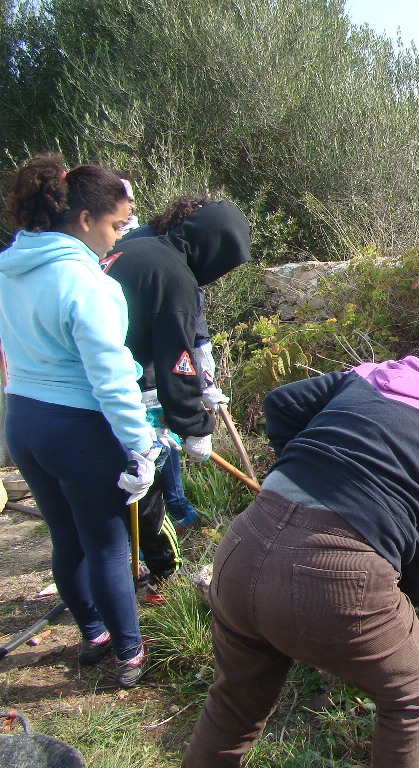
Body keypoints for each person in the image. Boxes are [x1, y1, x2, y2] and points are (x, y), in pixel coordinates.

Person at [182, 325, 419, 768]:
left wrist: (306, 476)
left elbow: (280, 404)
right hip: (341, 576)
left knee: (234, 707)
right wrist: (370, 613)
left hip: (243, 545)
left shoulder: (383, 374)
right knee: (411, 701)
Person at [0, 153, 161, 688]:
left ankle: (92, 633)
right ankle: (129, 652)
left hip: (23, 420)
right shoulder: (85, 282)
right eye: (116, 224)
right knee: (108, 543)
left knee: (65, 537)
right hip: (77, 428)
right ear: (85, 219)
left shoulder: (10, 268)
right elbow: (110, 376)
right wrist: (142, 445)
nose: (119, 237)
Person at [101, 199, 251, 602]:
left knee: (114, 492)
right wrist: (194, 426)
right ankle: (167, 576)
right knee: (145, 496)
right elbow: (174, 359)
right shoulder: (174, 275)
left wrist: (201, 384)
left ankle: (126, 570)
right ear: (214, 247)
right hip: (125, 393)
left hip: (91, 389)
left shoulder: (134, 247)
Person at [119, 194, 216, 536]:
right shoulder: (160, 259)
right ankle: (165, 529)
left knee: (162, 442)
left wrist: (206, 376)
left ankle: (174, 512)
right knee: (153, 449)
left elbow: (193, 321)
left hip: (127, 375)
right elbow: (173, 347)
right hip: (133, 375)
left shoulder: (167, 250)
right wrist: (192, 423)